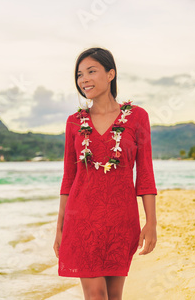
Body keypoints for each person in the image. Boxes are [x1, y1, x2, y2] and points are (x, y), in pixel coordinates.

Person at [53, 47, 157, 300]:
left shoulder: (137, 117)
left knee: (114, 295)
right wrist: (60, 226)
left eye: (91, 71)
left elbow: (144, 174)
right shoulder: (75, 122)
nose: (84, 79)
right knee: (96, 294)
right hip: (82, 219)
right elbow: (69, 178)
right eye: (79, 74)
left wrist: (151, 222)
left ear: (111, 74)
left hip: (121, 220)